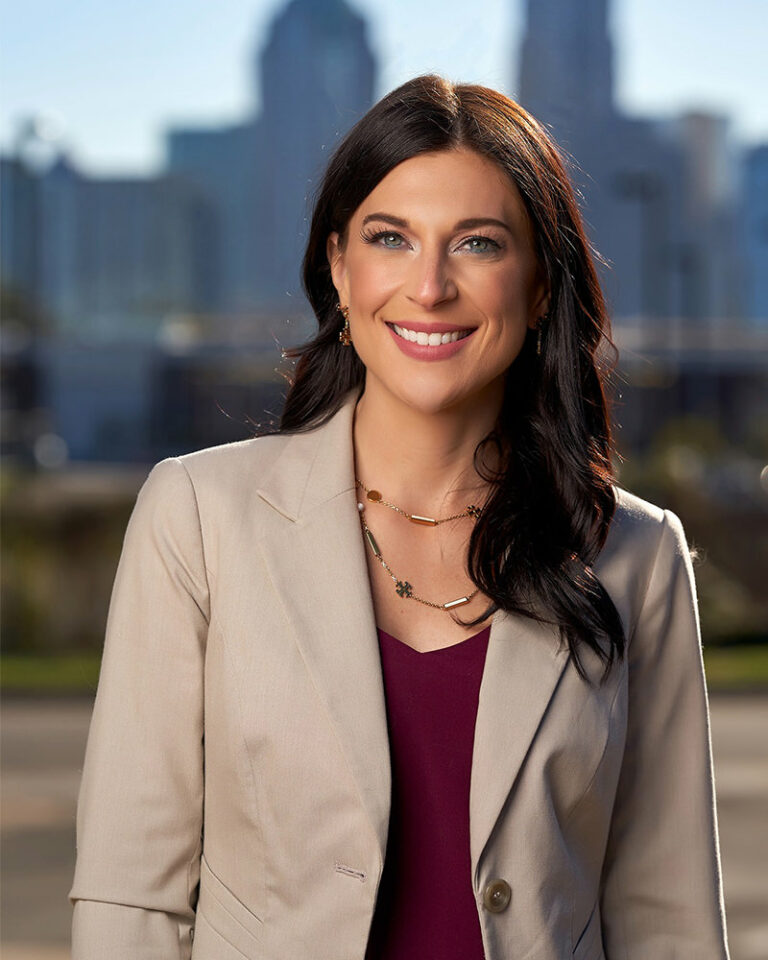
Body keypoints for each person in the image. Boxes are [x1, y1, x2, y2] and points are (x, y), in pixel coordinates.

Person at [69, 74, 730, 959]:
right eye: (391, 239)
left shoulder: (636, 555)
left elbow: (670, 918)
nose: (428, 287)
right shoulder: (198, 518)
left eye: (479, 244)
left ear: (539, 291)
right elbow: (130, 900)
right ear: (340, 269)